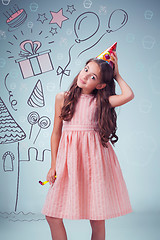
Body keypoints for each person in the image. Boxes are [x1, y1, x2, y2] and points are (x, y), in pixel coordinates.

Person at [42, 51, 134, 240]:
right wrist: (53, 165)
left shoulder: (102, 101)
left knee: (97, 216)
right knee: (52, 215)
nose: (84, 76)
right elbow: (56, 133)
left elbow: (128, 95)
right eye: (85, 69)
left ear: (100, 85)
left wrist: (116, 75)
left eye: (92, 76)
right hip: (68, 163)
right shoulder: (63, 98)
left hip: (94, 164)